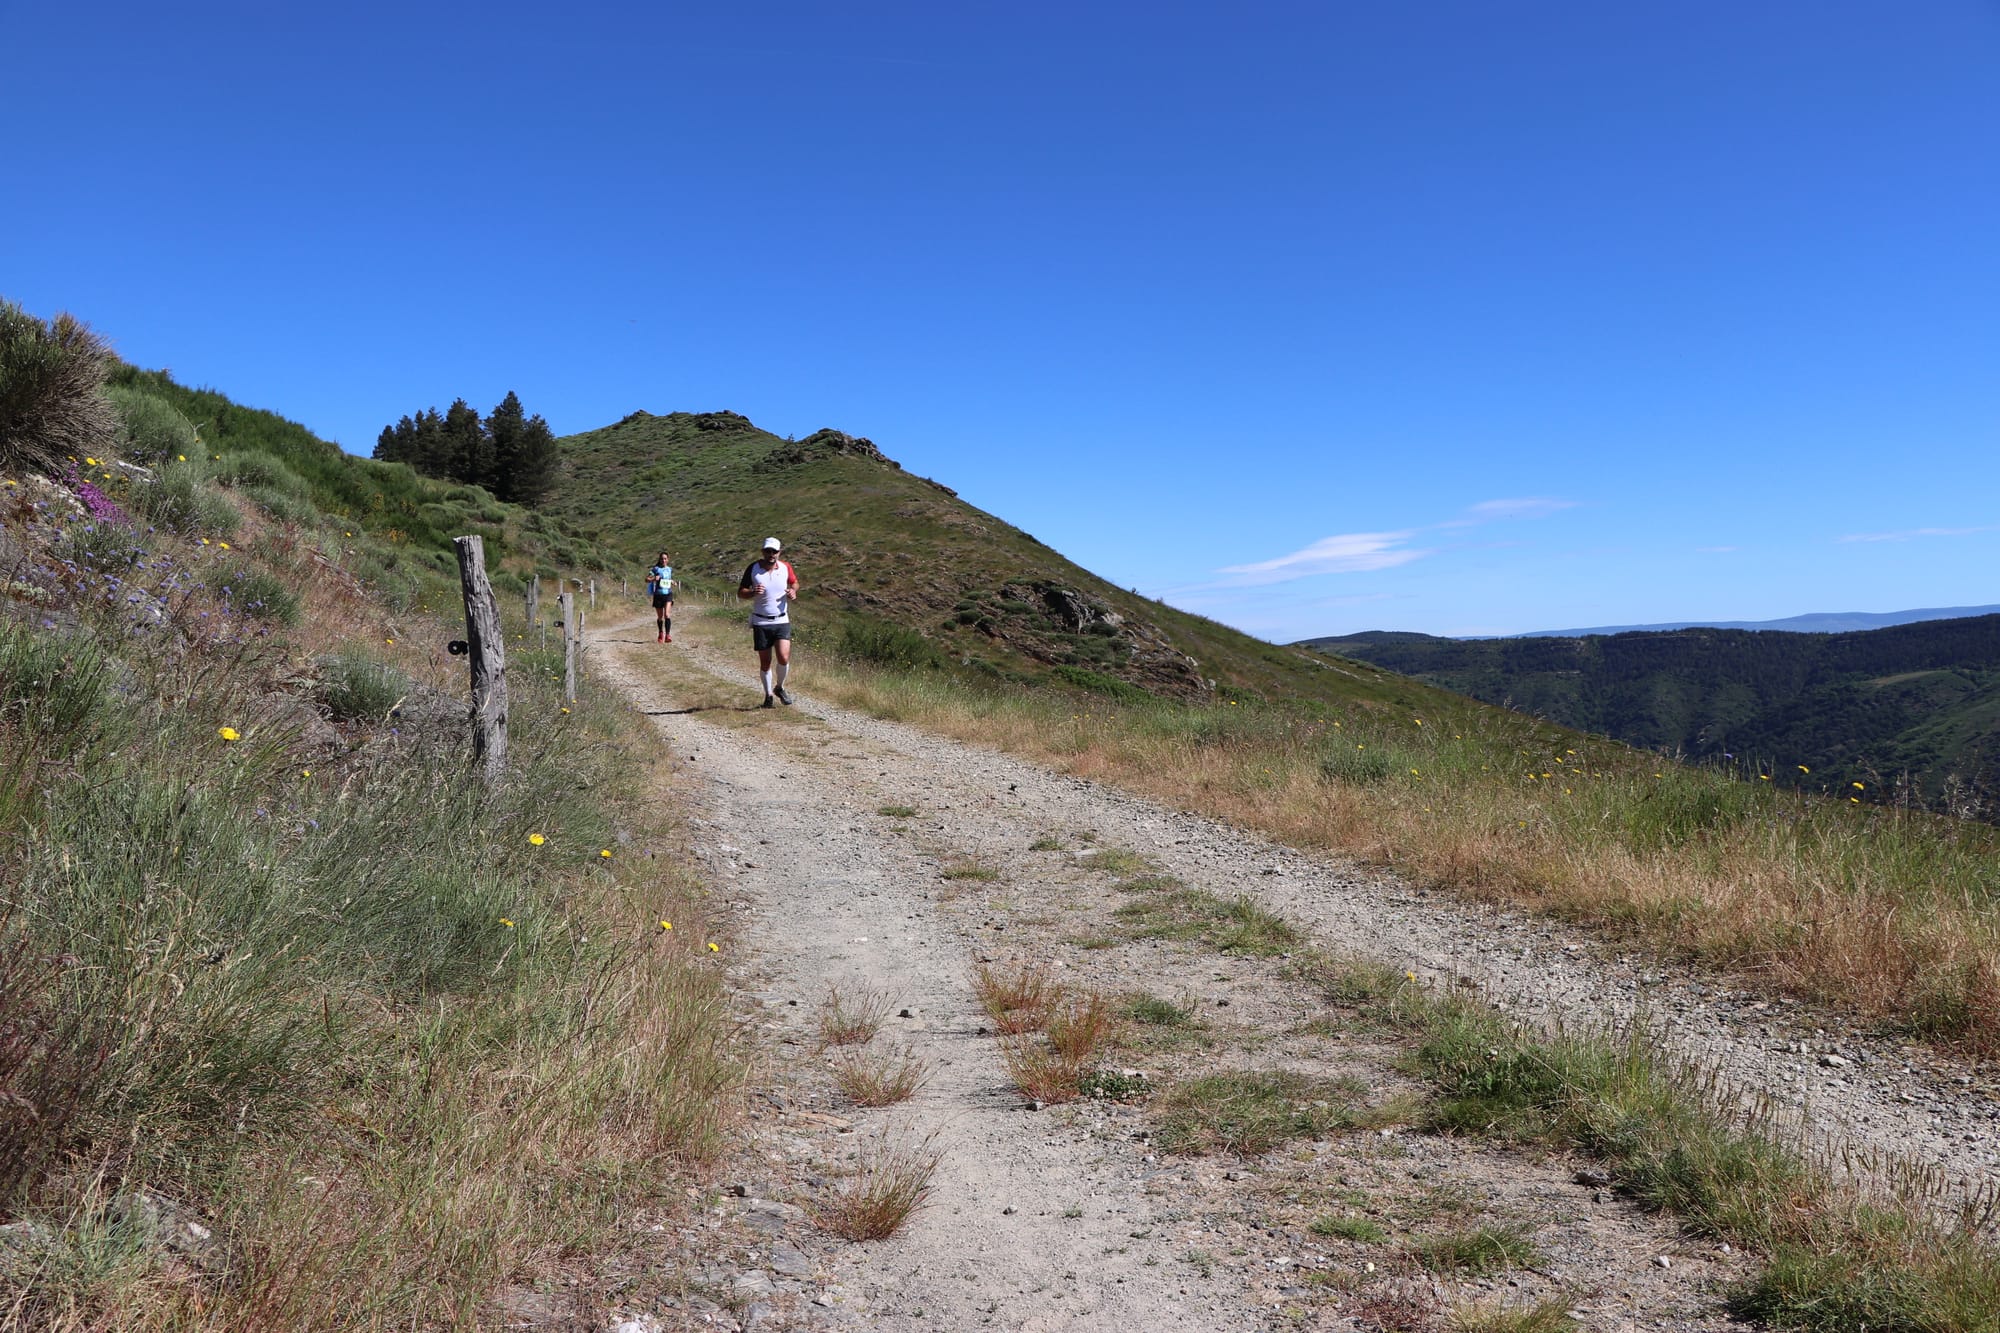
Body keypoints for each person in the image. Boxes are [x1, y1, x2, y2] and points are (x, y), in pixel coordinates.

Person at [737, 537, 800, 707]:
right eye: (768, 551)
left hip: (781, 619)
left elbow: (795, 583)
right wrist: (752, 593)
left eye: (774, 551)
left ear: (779, 552)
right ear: (762, 552)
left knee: (784, 657)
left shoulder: (786, 567)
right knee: (765, 662)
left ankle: (779, 687)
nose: (771, 554)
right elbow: (740, 592)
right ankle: (768, 696)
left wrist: (793, 592)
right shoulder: (753, 568)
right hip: (761, 621)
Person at [646, 551, 675, 643]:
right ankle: (660, 633)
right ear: (660, 559)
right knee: (660, 617)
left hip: (668, 594)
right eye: (662, 558)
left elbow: (668, 579)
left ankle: (668, 635)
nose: (663, 560)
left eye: (665, 558)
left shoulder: (669, 569)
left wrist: (672, 582)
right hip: (658, 595)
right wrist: (654, 579)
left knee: (667, 615)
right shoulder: (656, 569)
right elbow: (646, 579)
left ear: (668, 560)